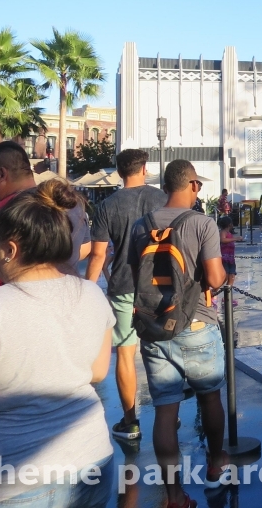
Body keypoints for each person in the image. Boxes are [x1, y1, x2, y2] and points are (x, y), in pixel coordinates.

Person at [0, 180, 114, 507]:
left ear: (10, 249)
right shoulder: (92, 294)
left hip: (13, 479)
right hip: (91, 461)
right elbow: (98, 372)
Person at [130, 160, 228, 507]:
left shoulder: (141, 226)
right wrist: (223, 276)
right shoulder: (202, 223)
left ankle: (174, 496)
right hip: (196, 323)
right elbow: (214, 279)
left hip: (154, 328)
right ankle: (215, 466)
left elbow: (135, 277)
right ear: (194, 185)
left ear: (165, 187)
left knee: (165, 411)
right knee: (210, 397)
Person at [85, 147, 167, 441]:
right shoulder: (162, 199)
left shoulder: (107, 206)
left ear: (119, 173)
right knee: (161, 350)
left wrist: (86, 290)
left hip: (123, 285)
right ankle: (168, 416)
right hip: (160, 284)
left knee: (125, 353)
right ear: (144, 169)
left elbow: (98, 255)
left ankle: (130, 421)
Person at [0, 142, 90, 307]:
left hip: (16, 311)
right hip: (71, 304)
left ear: (1, 174)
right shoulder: (69, 204)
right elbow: (85, 249)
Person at [217, 216, 243, 308]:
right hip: (225, 258)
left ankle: (227, 297)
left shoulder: (229, 233)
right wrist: (235, 239)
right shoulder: (223, 232)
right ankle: (213, 293)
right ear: (229, 224)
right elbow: (223, 240)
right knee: (224, 277)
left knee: (231, 277)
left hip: (231, 258)